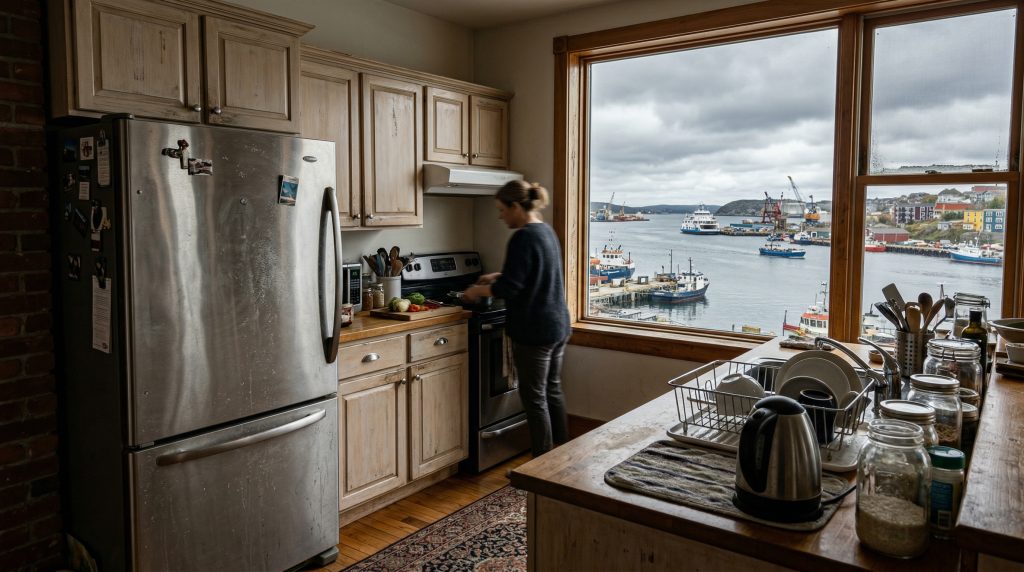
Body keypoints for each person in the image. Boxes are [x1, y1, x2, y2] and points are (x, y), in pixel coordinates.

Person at [463, 180, 571, 457]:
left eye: (502, 210)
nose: (500, 217)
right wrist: (497, 275)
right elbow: (535, 274)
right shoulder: (545, 232)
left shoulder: (523, 237)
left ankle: (542, 465)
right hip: (557, 324)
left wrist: (477, 290)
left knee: (534, 398)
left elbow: (510, 288)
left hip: (535, 330)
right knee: (552, 390)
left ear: (515, 206)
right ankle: (562, 453)